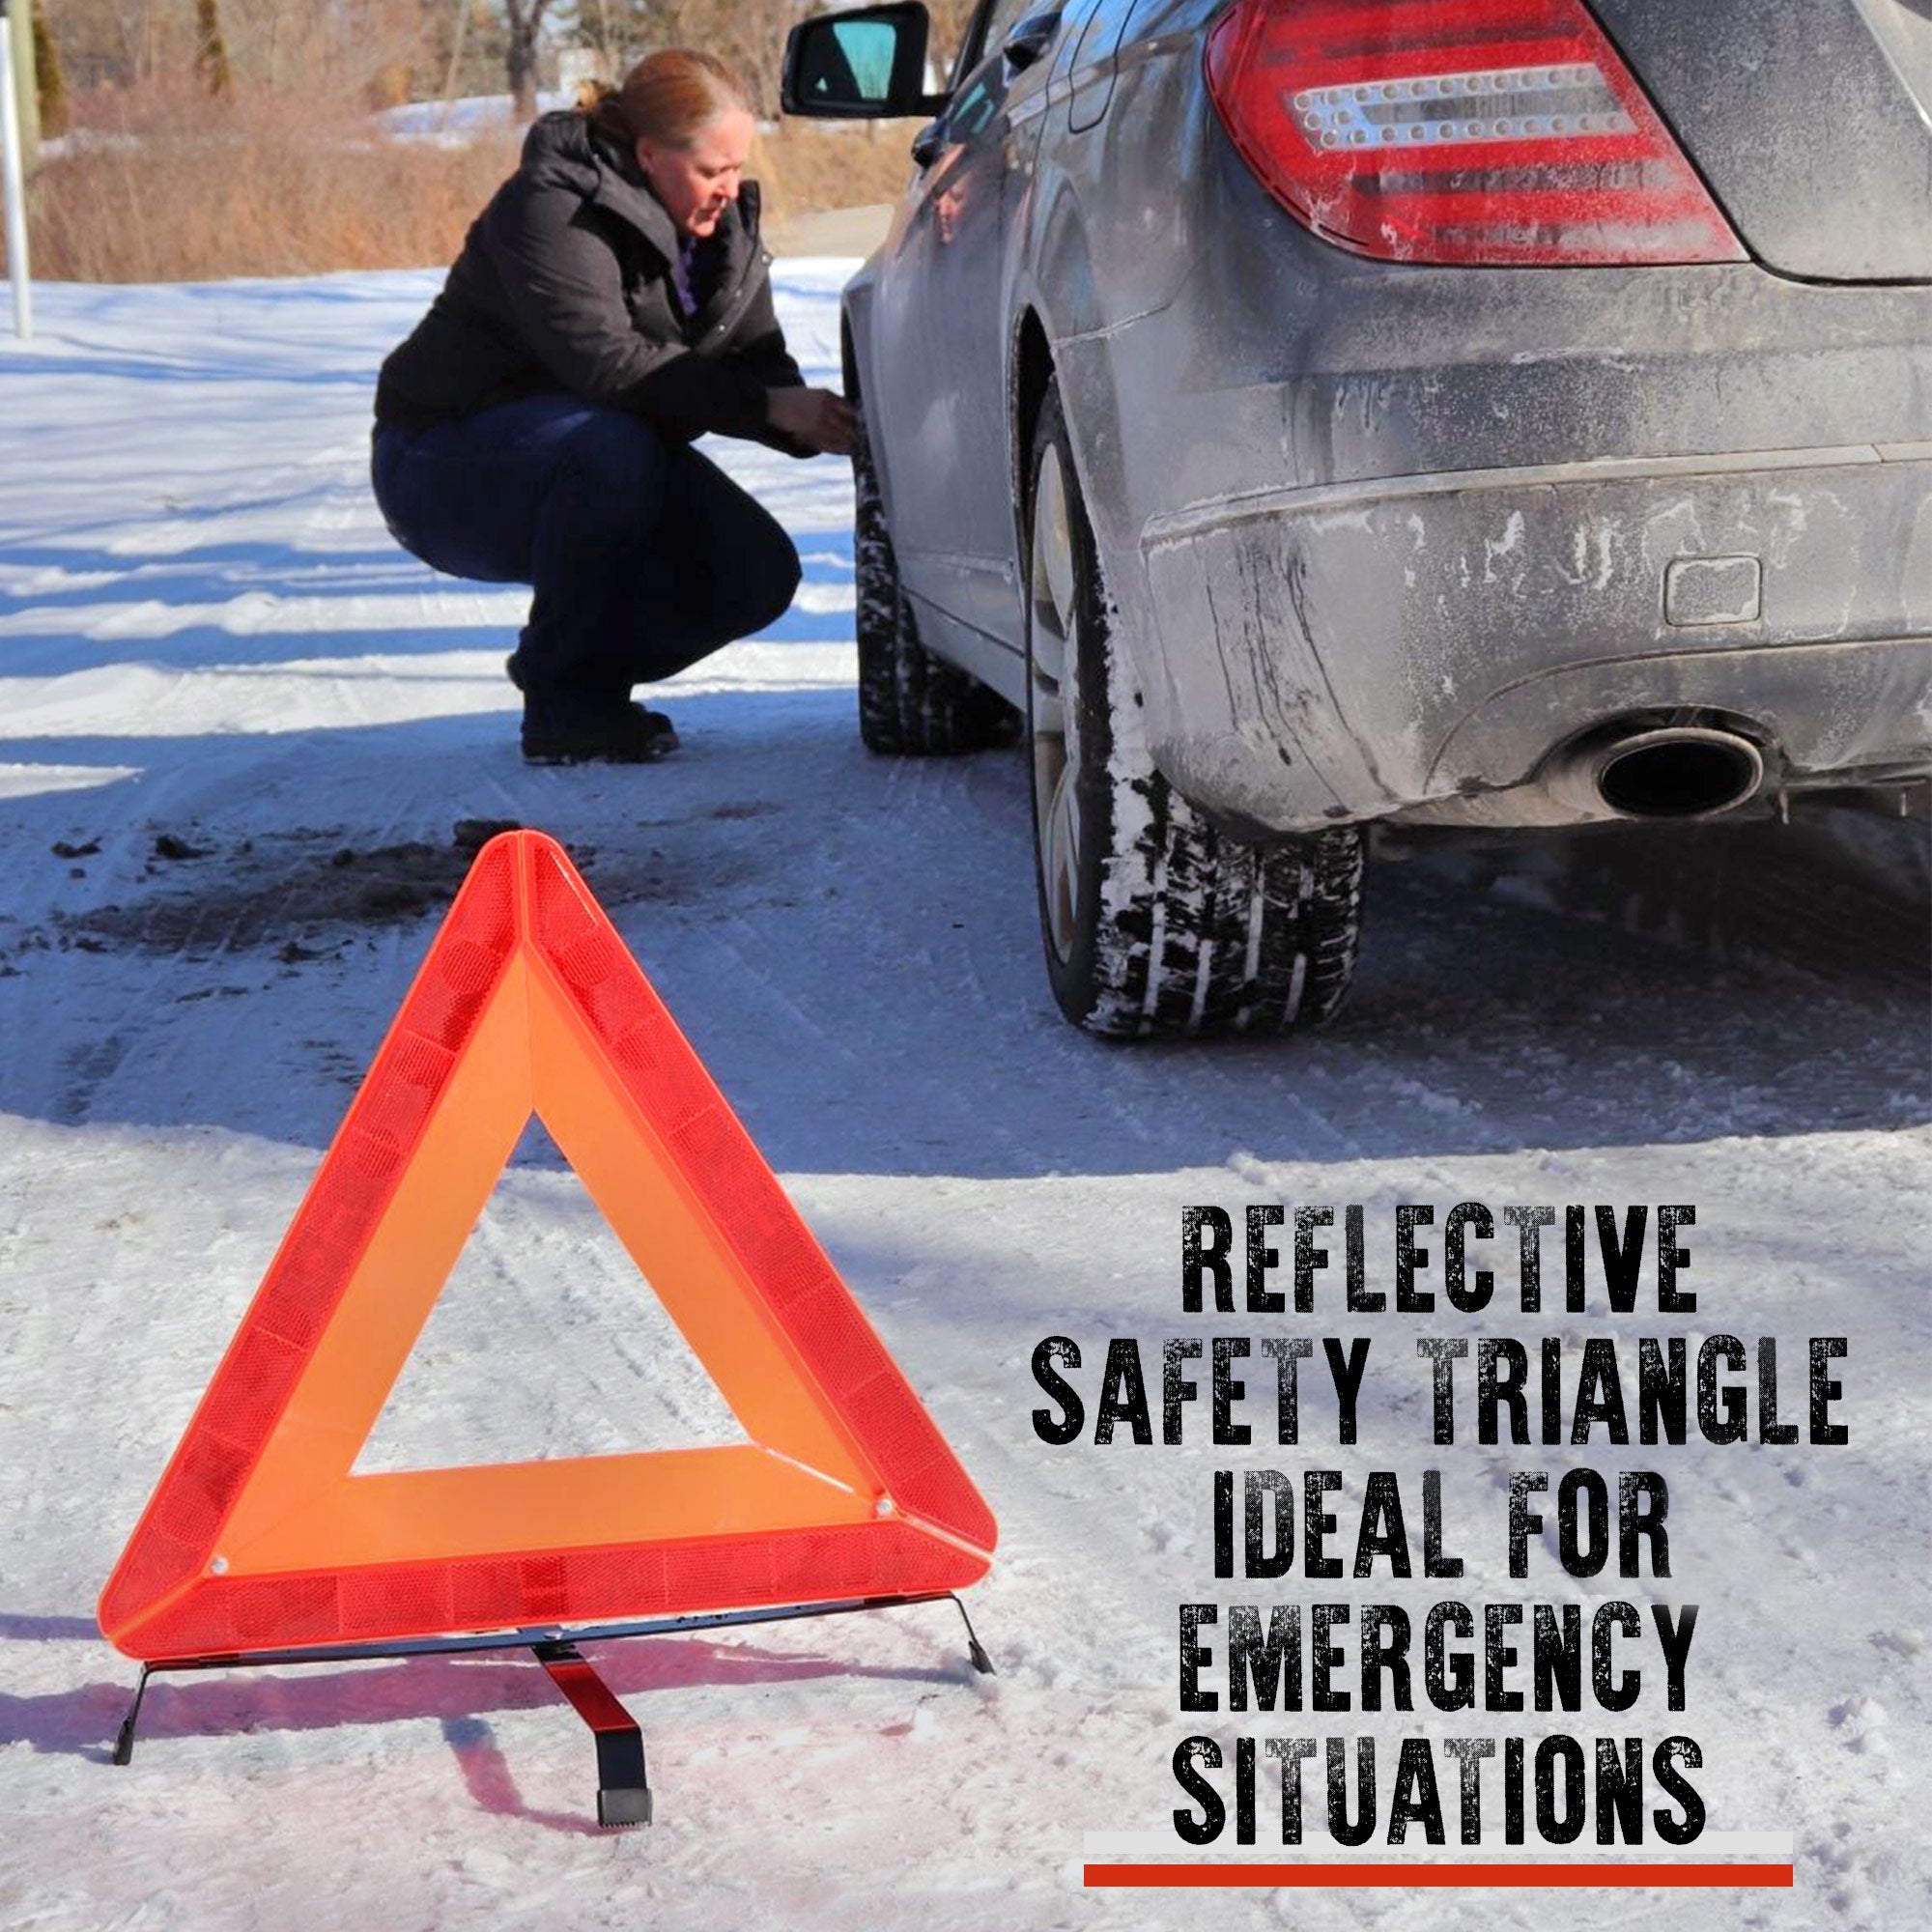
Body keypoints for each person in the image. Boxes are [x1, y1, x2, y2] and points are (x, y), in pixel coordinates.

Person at [371, 50, 854, 763]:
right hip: (444, 464)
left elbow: (757, 360)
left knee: (755, 573)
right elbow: (605, 362)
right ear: (649, 152)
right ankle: (568, 707)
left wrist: (833, 423)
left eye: (738, 168)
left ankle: (571, 669)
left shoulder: (721, 233)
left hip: (598, 449)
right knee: (612, 446)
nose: (730, 187)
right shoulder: (553, 206)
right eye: (711, 170)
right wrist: (767, 409)